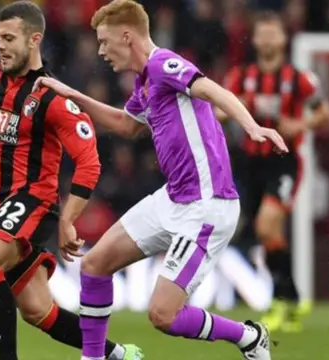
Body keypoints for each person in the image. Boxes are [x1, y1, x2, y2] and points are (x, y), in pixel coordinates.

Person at [33, 1, 289, 359]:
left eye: (105, 42)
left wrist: (253, 127)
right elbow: (126, 124)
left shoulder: (162, 63)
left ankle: (248, 336)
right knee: (93, 265)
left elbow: (213, 90)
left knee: (162, 315)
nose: (101, 51)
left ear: (127, 36)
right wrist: (72, 95)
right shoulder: (144, 82)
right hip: (173, 198)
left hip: (207, 206)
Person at [0, 2, 142, 360]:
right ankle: (121, 355)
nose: (0, 46)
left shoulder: (53, 98)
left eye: (9, 38)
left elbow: (88, 161)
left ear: (34, 39)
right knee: (39, 311)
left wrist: (68, 220)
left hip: (34, 203)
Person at [220, 11, 329, 333]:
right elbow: (219, 108)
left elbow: (325, 113)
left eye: (273, 34)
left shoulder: (300, 79)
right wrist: (222, 112)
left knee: (268, 227)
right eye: (262, 34)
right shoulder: (239, 78)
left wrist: (302, 123)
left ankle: (279, 300)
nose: (267, 40)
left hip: (284, 161)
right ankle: (292, 299)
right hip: (250, 163)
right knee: (268, 235)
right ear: (254, 40)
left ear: (283, 39)